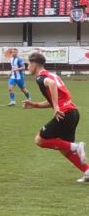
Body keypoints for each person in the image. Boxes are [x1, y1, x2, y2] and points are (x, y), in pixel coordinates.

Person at [22, 52, 89, 182]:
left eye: (28, 64)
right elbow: (53, 100)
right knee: (65, 148)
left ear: (35, 65)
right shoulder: (51, 74)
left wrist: (57, 107)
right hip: (72, 113)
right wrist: (35, 105)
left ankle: (77, 146)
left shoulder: (41, 77)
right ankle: (87, 171)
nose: (27, 67)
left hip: (64, 113)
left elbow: (51, 85)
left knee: (39, 140)